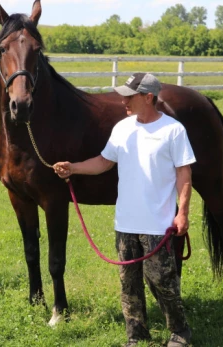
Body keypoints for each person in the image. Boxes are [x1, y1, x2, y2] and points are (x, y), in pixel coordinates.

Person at [53, 73, 195, 347]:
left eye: (129, 97)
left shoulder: (172, 130)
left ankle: (180, 332)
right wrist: (74, 167)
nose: (123, 101)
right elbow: (105, 162)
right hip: (126, 223)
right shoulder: (123, 128)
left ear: (148, 97)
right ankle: (136, 335)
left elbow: (184, 173)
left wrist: (183, 213)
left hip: (158, 223)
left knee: (162, 283)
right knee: (128, 286)